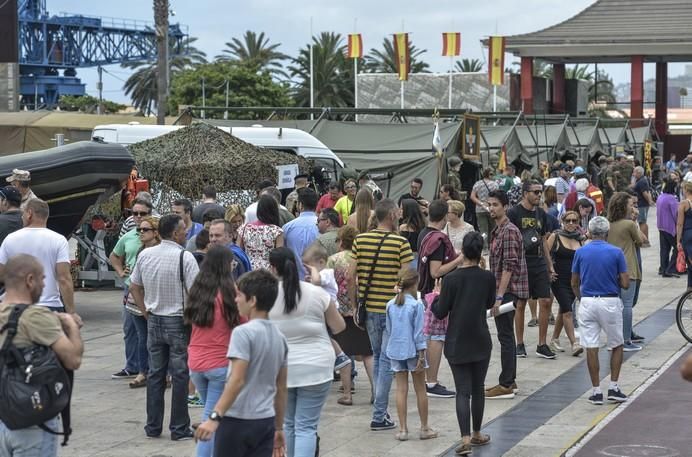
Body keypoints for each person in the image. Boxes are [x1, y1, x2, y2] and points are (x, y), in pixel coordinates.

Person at [193, 270, 288, 457]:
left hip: (236, 421)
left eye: (239, 295)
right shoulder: (280, 337)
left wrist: (214, 417)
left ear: (252, 301)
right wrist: (278, 427)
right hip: (265, 420)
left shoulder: (243, 333)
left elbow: (237, 380)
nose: (235, 300)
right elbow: (281, 387)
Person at [0, 254, 84, 457]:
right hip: (31, 421)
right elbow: (73, 359)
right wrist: (72, 326)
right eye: (43, 279)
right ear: (30, 280)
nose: (44, 284)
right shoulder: (36, 316)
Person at [268, 247, 345, 457]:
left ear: (273, 268)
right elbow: (338, 327)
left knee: (289, 424)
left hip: (282, 369)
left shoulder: (266, 297)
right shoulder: (317, 293)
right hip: (316, 367)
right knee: (306, 427)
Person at [129, 214, 200, 441]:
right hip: (177, 320)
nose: (185, 233)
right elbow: (196, 292)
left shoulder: (145, 255)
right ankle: (179, 428)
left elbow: (134, 286)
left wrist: (145, 310)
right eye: (182, 230)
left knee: (155, 374)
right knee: (180, 375)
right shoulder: (184, 257)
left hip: (154, 319)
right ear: (176, 233)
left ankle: (153, 426)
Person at [350, 198, 414, 431]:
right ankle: (378, 415)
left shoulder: (360, 240)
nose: (399, 216)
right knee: (386, 361)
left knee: (377, 357)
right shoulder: (400, 243)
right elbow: (407, 279)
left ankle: (381, 409)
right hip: (391, 310)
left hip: (368, 309)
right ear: (390, 216)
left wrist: (355, 305)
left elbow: (351, 276)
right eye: (397, 214)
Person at [433, 232, 494, 455]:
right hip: (480, 338)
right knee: (478, 389)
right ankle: (477, 433)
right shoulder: (487, 277)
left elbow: (440, 312)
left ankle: (465, 438)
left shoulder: (451, 279)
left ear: (462, 251)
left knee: (462, 391)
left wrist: (438, 295)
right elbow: (489, 302)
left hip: (457, 340)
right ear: (480, 252)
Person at [184, 245, 246, 457]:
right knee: (212, 420)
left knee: (212, 416)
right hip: (220, 363)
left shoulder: (198, 290)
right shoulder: (231, 292)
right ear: (226, 265)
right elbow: (245, 321)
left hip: (196, 363)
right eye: (232, 263)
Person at [571, 216, 630, 405]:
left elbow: (574, 282)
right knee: (617, 344)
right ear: (607, 233)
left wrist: (582, 298)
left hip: (587, 301)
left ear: (589, 231)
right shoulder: (616, 252)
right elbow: (626, 283)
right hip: (609, 301)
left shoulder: (581, 252)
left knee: (591, 346)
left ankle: (596, 391)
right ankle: (613, 387)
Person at [418, 200, 465, 398]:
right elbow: (436, 271)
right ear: (445, 216)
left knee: (429, 335)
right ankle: (432, 382)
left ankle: (428, 379)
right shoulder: (438, 239)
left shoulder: (424, 233)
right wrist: (458, 259)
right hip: (435, 293)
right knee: (436, 336)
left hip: (425, 291)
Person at [386, 268, 438, 442]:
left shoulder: (390, 304)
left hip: (395, 350)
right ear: (414, 284)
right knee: (420, 389)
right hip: (414, 351)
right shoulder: (417, 305)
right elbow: (419, 333)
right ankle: (424, 428)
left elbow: (389, 329)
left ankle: (402, 429)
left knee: (401, 389)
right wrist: (422, 355)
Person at [508, 180, 557, 360]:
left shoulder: (541, 213)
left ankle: (542, 344)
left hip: (538, 261)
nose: (538, 195)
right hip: (521, 262)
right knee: (520, 303)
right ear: (525, 193)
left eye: (540, 192)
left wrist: (549, 265)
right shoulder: (513, 213)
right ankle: (519, 344)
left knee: (545, 300)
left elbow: (544, 240)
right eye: (535, 192)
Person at [486, 189, 528, 399]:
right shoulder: (497, 230)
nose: (491, 208)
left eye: (495, 204)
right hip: (502, 289)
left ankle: (506, 383)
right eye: (489, 204)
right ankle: (510, 379)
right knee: (506, 336)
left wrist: (499, 296)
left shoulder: (509, 231)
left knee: (505, 336)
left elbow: (509, 267)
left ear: (505, 206)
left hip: (508, 291)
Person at [0, 199, 75, 315]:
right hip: (50, 306)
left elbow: (1, 274)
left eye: (23, 213)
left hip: (17, 307)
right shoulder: (59, 240)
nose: (22, 217)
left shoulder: (10, 239)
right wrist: (71, 313)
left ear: (30, 213)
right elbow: (64, 279)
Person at [328, 225, 375, 404]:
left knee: (343, 353)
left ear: (341, 241)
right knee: (368, 353)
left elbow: (328, 283)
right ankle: (375, 391)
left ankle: (347, 393)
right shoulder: (361, 258)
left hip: (339, 310)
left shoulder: (333, 260)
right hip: (360, 309)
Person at [109, 199, 153, 380]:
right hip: (130, 288)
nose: (138, 217)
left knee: (150, 331)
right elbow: (114, 255)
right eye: (135, 213)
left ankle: (151, 367)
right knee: (130, 329)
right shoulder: (128, 237)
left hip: (150, 288)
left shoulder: (154, 236)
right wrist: (121, 271)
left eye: (142, 213)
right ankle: (132, 366)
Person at [126, 216, 161, 389]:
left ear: (156, 233)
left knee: (157, 340)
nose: (141, 232)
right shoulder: (140, 251)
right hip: (137, 302)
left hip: (154, 300)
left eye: (145, 230)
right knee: (143, 338)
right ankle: (143, 372)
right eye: (140, 230)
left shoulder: (160, 250)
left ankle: (160, 372)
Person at [607, 192, 643, 352]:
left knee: (615, 306)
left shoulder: (608, 224)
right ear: (623, 206)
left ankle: (614, 339)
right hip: (628, 268)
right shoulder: (629, 224)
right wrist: (635, 222)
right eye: (630, 204)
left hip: (611, 269)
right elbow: (641, 240)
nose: (632, 207)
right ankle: (626, 340)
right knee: (627, 305)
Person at [547, 211, 584, 357]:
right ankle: (574, 344)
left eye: (574, 221)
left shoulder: (580, 240)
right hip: (558, 280)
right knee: (568, 311)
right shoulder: (555, 236)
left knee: (563, 309)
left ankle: (554, 339)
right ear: (562, 221)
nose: (571, 223)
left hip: (574, 282)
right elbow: (544, 254)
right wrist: (549, 271)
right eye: (568, 220)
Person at [238, 194, 284, 270]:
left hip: (247, 269)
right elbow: (279, 257)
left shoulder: (243, 228)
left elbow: (238, 252)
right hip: (268, 271)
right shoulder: (277, 231)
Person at [282, 188, 319, 281]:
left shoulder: (287, 227)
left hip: (295, 280)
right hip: (318, 279)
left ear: (300, 205)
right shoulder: (322, 226)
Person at [657, 177, 680, 277]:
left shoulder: (661, 197)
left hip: (661, 226)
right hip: (670, 227)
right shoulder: (672, 199)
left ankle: (663, 268)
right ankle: (671, 268)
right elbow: (676, 214)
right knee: (677, 247)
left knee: (664, 249)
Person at [471, 168, 499, 249]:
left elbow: (472, 196)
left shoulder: (477, 184)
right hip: (492, 208)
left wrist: (481, 203)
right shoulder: (494, 184)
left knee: (483, 230)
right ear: (490, 174)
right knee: (493, 229)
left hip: (480, 209)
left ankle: (484, 247)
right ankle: (493, 246)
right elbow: (497, 196)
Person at [399, 198, 427, 266]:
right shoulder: (422, 226)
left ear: (408, 210)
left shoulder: (404, 227)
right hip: (418, 261)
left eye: (402, 209)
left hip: (405, 260)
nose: (399, 211)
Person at [632, 166, 655, 247]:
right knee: (643, 222)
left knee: (642, 222)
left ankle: (643, 241)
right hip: (642, 204)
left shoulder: (641, 181)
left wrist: (649, 201)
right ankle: (646, 240)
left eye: (634, 172)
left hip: (642, 204)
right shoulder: (640, 180)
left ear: (639, 172)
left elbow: (645, 193)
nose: (633, 174)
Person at [677, 181, 692, 290]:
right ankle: (689, 288)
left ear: (686, 190)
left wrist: (678, 240)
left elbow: (680, 223)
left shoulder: (684, 203)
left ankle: (689, 288)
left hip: (688, 234)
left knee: (690, 261)